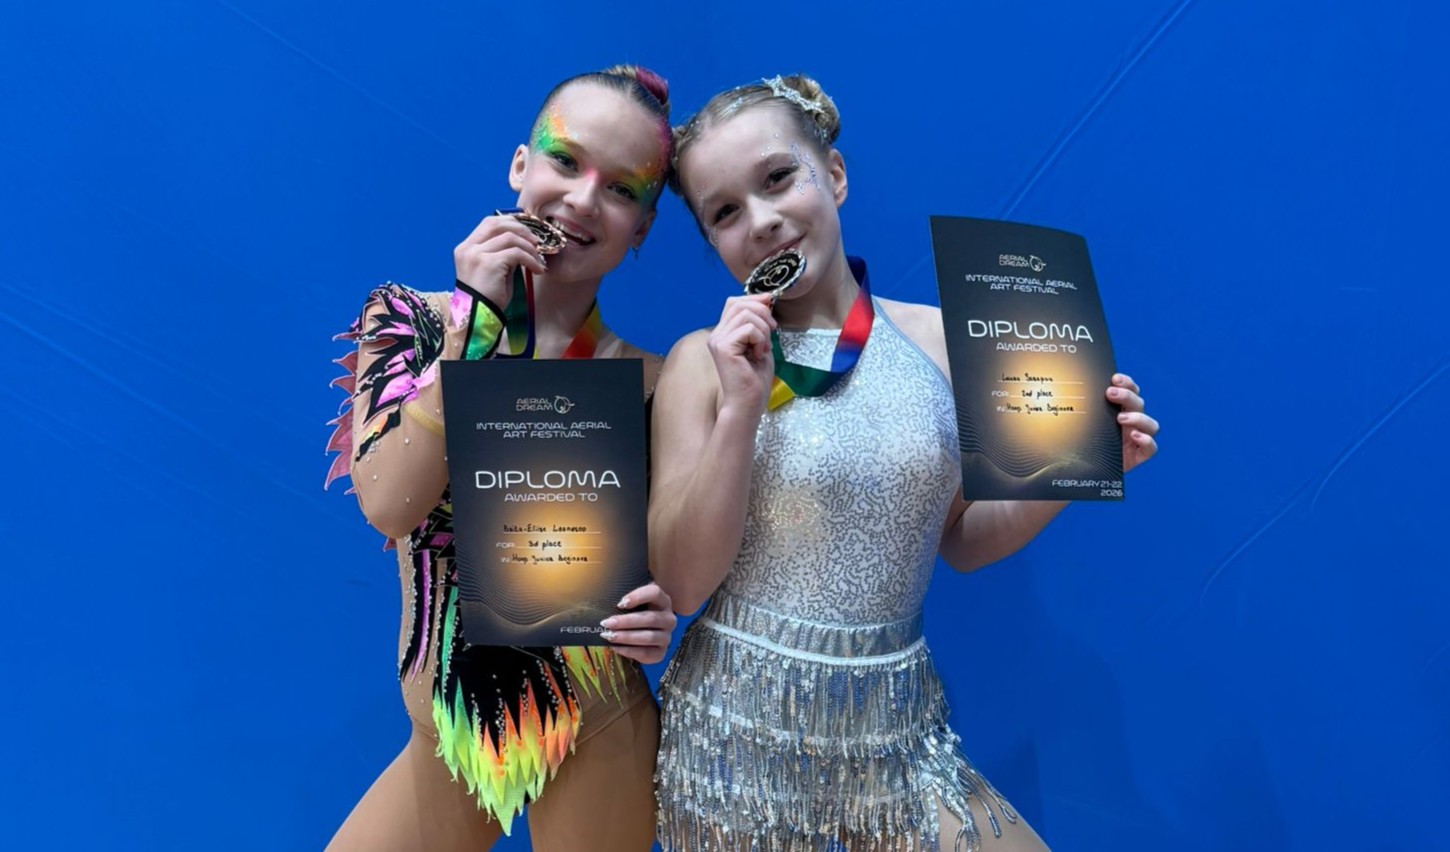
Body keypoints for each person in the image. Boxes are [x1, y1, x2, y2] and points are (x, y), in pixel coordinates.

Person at [648, 74, 1160, 851]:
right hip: (735, 738)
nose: (761, 219)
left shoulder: (944, 343)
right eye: (724, 212)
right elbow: (683, 584)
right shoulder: (700, 362)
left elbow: (962, 540)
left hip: (894, 728)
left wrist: (1078, 467)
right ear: (713, 241)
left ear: (835, 175)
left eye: (778, 178)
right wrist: (741, 407)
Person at [324, 64, 678, 851]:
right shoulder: (412, 323)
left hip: (598, 725)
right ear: (521, 164)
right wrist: (471, 332)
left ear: (642, 229)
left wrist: (657, 614)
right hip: (451, 729)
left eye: (621, 189)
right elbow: (389, 502)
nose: (583, 198)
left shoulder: (652, 384)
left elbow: (671, 567)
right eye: (565, 161)